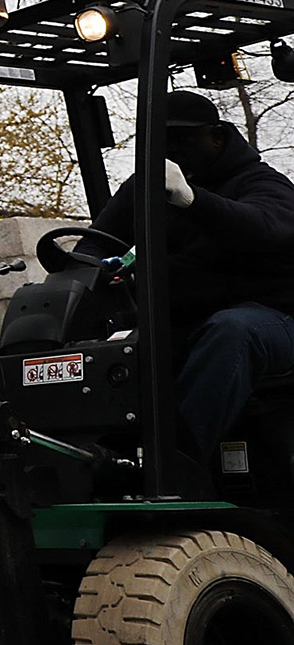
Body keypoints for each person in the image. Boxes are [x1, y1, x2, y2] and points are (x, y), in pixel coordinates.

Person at [86, 88, 294, 465]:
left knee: (232, 331)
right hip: (185, 321)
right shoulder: (146, 187)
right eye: (163, 140)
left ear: (216, 136)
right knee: (111, 343)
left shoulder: (260, 183)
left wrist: (191, 200)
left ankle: (177, 463)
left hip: (275, 318)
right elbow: (94, 244)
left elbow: (267, 228)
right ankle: (98, 457)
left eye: (183, 137)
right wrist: (91, 269)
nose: (172, 148)